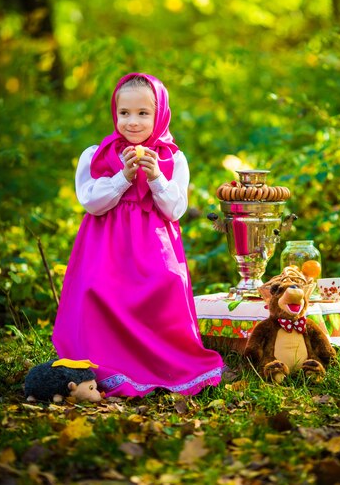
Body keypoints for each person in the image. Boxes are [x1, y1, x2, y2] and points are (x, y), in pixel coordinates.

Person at [52, 73, 223, 396]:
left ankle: (161, 361)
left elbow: (174, 209)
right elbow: (91, 201)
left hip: (153, 247)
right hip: (105, 247)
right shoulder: (97, 155)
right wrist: (123, 177)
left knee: (168, 284)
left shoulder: (173, 158)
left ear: (160, 115)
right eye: (124, 113)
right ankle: (105, 360)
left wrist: (156, 175)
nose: (132, 122)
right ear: (114, 113)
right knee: (96, 289)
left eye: (143, 113)